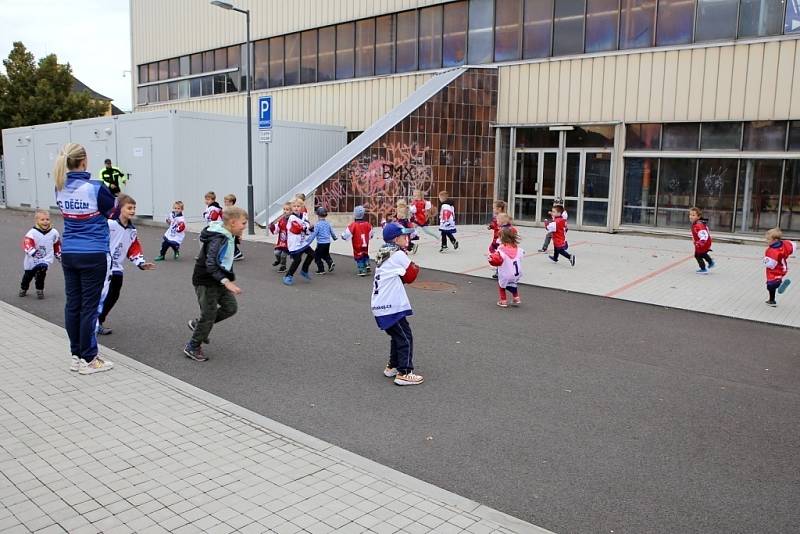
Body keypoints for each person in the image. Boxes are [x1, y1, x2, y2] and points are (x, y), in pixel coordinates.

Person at [54, 143, 117, 374]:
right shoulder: (96, 187)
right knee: (89, 308)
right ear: (84, 161)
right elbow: (115, 212)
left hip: (69, 252)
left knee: (73, 305)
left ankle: (76, 356)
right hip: (93, 253)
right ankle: (90, 359)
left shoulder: (59, 186)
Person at [185, 206, 247, 361]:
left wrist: (236, 237)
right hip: (206, 280)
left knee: (230, 307)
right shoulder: (218, 239)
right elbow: (211, 263)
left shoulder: (227, 233)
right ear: (232, 222)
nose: (245, 226)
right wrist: (226, 281)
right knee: (209, 314)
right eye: (243, 223)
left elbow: (225, 257)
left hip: (218, 279)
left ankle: (198, 324)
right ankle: (192, 346)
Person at [96, 195, 156, 335]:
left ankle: (99, 319)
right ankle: (93, 321)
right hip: (103, 265)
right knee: (101, 294)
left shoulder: (132, 230)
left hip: (116, 267)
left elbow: (133, 248)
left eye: (134, 208)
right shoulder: (109, 224)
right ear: (120, 209)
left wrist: (140, 263)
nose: (132, 210)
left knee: (114, 294)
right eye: (129, 208)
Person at [372, 222, 423, 386]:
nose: (407, 238)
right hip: (389, 305)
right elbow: (410, 276)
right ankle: (404, 372)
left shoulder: (384, 252)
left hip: (382, 304)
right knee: (405, 337)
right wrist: (414, 267)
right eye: (403, 236)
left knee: (397, 335)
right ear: (395, 239)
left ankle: (393, 365)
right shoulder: (398, 255)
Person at [19, 210, 61, 299]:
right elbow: (27, 244)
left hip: (45, 259)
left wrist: (59, 255)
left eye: (47, 219)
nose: (45, 221)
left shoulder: (54, 233)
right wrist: (34, 253)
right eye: (42, 220)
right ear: (37, 221)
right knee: (28, 275)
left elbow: (57, 244)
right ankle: (23, 288)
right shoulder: (32, 233)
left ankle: (39, 289)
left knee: (42, 272)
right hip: (32, 260)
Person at [488, 228, 524, 308]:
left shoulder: (501, 250)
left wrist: (491, 258)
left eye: (499, 237)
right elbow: (521, 256)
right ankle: (516, 298)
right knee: (513, 284)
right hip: (516, 273)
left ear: (503, 238)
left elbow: (497, 260)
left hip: (506, 272)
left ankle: (503, 301)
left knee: (502, 286)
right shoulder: (518, 249)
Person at [283, 198, 315, 285]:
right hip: (294, 243)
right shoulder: (292, 217)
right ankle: (288, 276)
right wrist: (305, 228)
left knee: (312, 254)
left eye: (298, 206)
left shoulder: (304, 216)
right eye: (294, 206)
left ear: (301, 207)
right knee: (297, 260)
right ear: (292, 208)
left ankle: (304, 270)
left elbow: (307, 227)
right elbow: (296, 228)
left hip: (302, 241)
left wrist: (311, 228)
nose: (296, 208)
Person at [763, 228, 796, 307]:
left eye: (768, 239)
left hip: (774, 270)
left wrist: (765, 261)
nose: (766, 241)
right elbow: (791, 246)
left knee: (770, 285)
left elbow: (770, 264)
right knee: (773, 282)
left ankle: (779, 286)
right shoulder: (783, 244)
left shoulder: (772, 250)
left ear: (775, 240)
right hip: (783, 267)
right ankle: (772, 300)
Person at [341, 205, 373, 276]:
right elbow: (371, 234)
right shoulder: (367, 224)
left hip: (357, 245)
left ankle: (362, 270)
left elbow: (346, 234)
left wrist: (343, 236)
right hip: (365, 245)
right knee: (365, 254)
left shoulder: (353, 225)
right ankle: (367, 264)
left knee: (359, 257)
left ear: (355, 215)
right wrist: (370, 237)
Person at [311, 207, 337, 274]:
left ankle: (321, 269)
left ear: (318, 215)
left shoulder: (317, 224)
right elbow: (332, 232)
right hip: (327, 243)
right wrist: (334, 238)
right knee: (325, 254)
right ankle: (330, 262)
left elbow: (314, 234)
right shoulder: (328, 223)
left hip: (321, 243)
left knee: (317, 256)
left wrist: (308, 241)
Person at [689, 207, 715, 274]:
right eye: (690, 215)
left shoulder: (698, 225)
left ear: (698, 216)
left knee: (697, 255)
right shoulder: (696, 223)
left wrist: (700, 242)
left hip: (703, 243)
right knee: (702, 253)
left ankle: (703, 269)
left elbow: (704, 234)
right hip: (704, 242)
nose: (691, 216)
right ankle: (711, 262)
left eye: (693, 215)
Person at [269, 202, 291, 272]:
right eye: (284, 209)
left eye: (287, 209)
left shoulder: (292, 220)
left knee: (283, 255)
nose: (285, 211)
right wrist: (272, 226)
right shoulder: (281, 220)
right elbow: (276, 230)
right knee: (276, 253)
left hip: (288, 243)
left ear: (291, 211)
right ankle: (279, 261)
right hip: (281, 241)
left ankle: (283, 266)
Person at [224, 194, 244, 261]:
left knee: (231, 241)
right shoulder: (227, 210)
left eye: (226, 201)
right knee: (229, 241)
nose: (225, 203)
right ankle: (235, 253)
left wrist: (240, 234)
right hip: (228, 229)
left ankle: (237, 253)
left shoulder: (234, 211)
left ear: (231, 202)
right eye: (225, 201)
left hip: (233, 229)